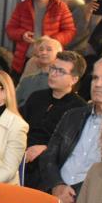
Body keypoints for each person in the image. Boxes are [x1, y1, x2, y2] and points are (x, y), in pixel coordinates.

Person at [40, 55, 102, 203]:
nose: (97, 84)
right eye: (95, 78)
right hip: (53, 194)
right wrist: (57, 185)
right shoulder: (73, 116)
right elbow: (49, 155)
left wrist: (74, 194)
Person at [21, 51, 87, 190]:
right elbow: (19, 124)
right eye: (53, 68)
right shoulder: (36, 97)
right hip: (20, 152)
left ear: (74, 79)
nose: (53, 74)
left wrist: (46, 148)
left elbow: (73, 145)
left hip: (49, 164)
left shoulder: (79, 108)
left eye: (60, 71)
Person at [5, 0, 76, 76]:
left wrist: (52, 40)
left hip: (50, 61)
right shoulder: (23, 6)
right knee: (19, 85)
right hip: (24, 59)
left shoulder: (60, 7)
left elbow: (70, 31)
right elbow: (10, 29)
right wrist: (22, 34)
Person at [14, 36, 62, 105]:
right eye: (41, 50)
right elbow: (12, 102)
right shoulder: (27, 80)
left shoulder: (62, 82)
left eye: (49, 49)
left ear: (59, 54)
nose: (43, 52)